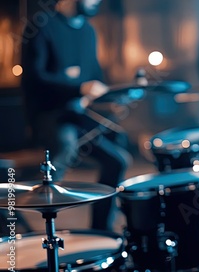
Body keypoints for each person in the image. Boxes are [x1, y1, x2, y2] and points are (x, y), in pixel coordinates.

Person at [21, 0, 131, 231]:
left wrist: (112, 100)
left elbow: (95, 79)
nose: (96, 2)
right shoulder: (42, 27)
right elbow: (35, 77)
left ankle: (100, 230)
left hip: (77, 115)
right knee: (66, 145)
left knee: (117, 160)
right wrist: (78, 88)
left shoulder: (88, 31)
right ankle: (29, 207)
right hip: (49, 115)